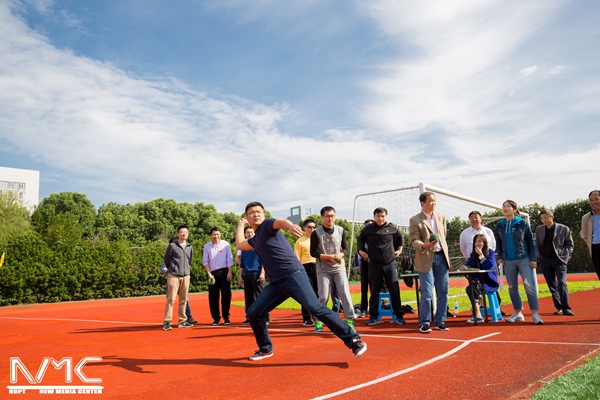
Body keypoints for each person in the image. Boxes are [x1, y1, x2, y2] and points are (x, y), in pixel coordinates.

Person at [236, 202, 366, 361]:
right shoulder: (254, 240)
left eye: (258, 211)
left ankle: (354, 340)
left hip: (293, 275)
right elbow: (239, 244)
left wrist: (290, 226)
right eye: (251, 213)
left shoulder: (268, 225)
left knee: (315, 308)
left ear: (263, 214)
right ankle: (265, 349)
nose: (256, 214)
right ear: (247, 217)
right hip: (276, 284)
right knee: (254, 313)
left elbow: (282, 222)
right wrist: (240, 224)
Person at [495, 200, 543, 325]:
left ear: (515, 209)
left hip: (524, 258)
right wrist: (500, 256)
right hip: (508, 261)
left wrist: (533, 259)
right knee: (512, 288)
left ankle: (535, 314)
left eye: (508, 206)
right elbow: (498, 242)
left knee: (529, 287)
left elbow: (531, 242)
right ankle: (518, 312)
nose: (505, 208)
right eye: (503, 206)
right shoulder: (500, 225)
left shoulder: (522, 223)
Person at [409, 191, 451, 333]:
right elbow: (413, 240)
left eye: (434, 200)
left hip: (441, 257)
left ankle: (440, 321)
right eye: (431, 201)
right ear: (423, 203)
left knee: (443, 290)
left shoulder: (441, 216)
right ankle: (425, 322)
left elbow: (443, 235)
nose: (434, 203)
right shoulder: (415, 220)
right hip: (426, 258)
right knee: (427, 291)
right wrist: (424, 245)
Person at [310, 206, 357, 332]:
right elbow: (313, 253)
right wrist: (328, 257)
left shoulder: (340, 230)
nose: (330, 218)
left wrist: (340, 255)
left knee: (344, 293)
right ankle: (318, 320)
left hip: (338, 267)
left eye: (332, 216)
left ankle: (350, 320)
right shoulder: (316, 233)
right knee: (323, 296)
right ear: (322, 217)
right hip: (323, 269)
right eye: (327, 216)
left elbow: (345, 249)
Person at [358, 207, 406, 326]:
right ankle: (374, 316)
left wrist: (399, 250)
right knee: (374, 291)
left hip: (390, 262)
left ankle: (399, 315)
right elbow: (360, 239)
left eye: (383, 216)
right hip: (374, 264)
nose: (380, 218)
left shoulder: (392, 227)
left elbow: (400, 237)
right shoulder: (368, 229)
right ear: (374, 217)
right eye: (378, 216)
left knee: (394, 290)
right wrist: (361, 251)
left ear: (386, 216)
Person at [536, 209, 574, 316]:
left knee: (561, 283)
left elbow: (570, 244)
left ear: (552, 217)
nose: (543, 220)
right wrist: (539, 257)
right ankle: (559, 307)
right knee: (551, 284)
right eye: (542, 218)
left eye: (545, 218)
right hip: (545, 260)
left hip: (559, 260)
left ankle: (566, 308)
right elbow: (537, 245)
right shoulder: (539, 229)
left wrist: (566, 257)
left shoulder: (564, 229)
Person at [459, 234, 499, 323]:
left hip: (489, 282)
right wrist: (465, 267)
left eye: (480, 241)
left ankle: (478, 311)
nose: (478, 243)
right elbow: (469, 265)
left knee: (473, 288)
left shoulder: (491, 253)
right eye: (476, 241)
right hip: (478, 281)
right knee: (470, 288)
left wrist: (481, 255)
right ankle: (478, 313)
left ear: (484, 242)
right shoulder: (473, 254)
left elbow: (489, 266)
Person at [162, 225, 194, 330]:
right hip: (174, 276)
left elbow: (189, 261)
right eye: (182, 232)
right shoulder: (172, 246)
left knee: (183, 299)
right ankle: (167, 321)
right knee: (170, 299)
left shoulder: (189, 247)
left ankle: (182, 321)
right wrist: (172, 269)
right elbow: (166, 259)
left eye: (186, 232)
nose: (184, 234)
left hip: (185, 276)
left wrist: (186, 272)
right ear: (178, 234)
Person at [237, 226, 268, 324]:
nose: (250, 234)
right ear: (245, 234)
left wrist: (262, 273)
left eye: (251, 232)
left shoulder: (259, 244)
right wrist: (240, 277)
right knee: (248, 297)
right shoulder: (244, 247)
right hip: (247, 274)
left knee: (261, 296)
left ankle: (265, 317)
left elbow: (264, 260)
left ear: (254, 233)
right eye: (248, 232)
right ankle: (249, 317)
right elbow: (242, 263)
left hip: (257, 273)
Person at [203, 227, 234, 325]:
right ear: (210, 236)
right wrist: (209, 273)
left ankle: (226, 317)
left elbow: (229, 259)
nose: (216, 236)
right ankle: (216, 318)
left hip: (224, 272)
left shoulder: (225, 245)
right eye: (214, 234)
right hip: (212, 273)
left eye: (217, 234)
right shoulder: (207, 246)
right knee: (213, 296)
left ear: (220, 235)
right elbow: (205, 261)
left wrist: (229, 272)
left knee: (226, 295)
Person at [293, 219, 319, 326]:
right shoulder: (300, 241)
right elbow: (296, 258)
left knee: (318, 293)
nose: (311, 229)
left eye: (313, 227)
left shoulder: (318, 240)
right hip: (305, 268)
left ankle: (317, 316)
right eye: (309, 227)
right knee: (306, 293)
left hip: (318, 267)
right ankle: (306, 318)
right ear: (304, 228)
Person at [356, 219, 374, 318]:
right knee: (364, 288)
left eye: (370, 225)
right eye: (366, 225)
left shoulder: (376, 237)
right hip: (364, 264)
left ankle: (373, 309)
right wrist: (363, 254)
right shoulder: (361, 238)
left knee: (374, 288)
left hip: (374, 265)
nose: (368, 227)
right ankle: (363, 309)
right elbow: (359, 249)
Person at [580, 190, 600, 280]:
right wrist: (590, 244)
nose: (594, 202)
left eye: (596, 199)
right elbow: (584, 235)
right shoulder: (586, 217)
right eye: (591, 200)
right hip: (596, 249)